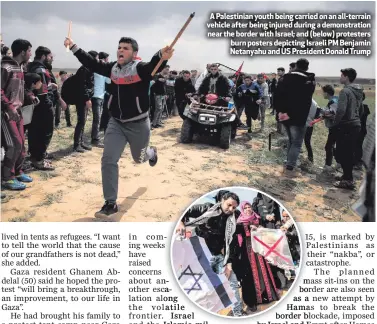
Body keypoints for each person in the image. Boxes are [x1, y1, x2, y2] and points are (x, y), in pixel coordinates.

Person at [64, 36, 172, 217]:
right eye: (119, 47)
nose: (121, 50)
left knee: (139, 158)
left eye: (126, 48)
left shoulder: (140, 69)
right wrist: (74, 47)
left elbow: (153, 66)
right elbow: (92, 63)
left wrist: (162, 56)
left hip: (138, 123)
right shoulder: (112, 68)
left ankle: (151, 153)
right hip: (116, 123)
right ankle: (110, 203)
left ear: (135, 53)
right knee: (108, 159)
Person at [177, 191, 244, 317]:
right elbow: (184, 210)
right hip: (197, 251)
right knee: (197, 284)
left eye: (234, 207)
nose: (231, 209)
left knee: (232, 281)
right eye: (229, 205)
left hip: (215, 253)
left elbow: (232, 242)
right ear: (222, 201)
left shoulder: (234, 218)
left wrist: (229, 264)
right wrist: (181, 222)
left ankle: (237, 314)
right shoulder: (206, 208)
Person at [228, 201, 280, 313]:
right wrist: (248, 229)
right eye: (245, 207)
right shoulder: (239, 221)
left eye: (249, 207)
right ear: (242, 209)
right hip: (246, 252)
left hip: (259, 251)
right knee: (249, 277)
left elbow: (264, 231)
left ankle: (266, 295)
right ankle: (252, 302)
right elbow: (236, 234)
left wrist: (259, 229)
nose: (247, 209)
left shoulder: (257, 218)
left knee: (263, 272)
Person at [1, 39, 33, 190]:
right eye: (29, 51)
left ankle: (18, 171)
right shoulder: (6, 67)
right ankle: (7, 177)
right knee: (14, 144)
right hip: (7, 113)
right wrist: (9, 108)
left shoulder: (21, 68)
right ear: (22, 52)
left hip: (18, 111)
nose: (30, 54)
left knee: (21, 144)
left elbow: (20, 88)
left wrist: (30, 96)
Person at [277, 58, 316, 177]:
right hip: (298, 117)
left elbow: (277, 96)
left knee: (291, 140)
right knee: (297, 143)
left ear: (296, 66)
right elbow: (305, 101)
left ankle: (288, 161)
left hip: (284, 115)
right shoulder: (308, 80)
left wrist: (279, 112)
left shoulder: (284, 78)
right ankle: (291, 165)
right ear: (307, 67)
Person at [333, 68, 363, 190]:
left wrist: (335, 122)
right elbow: (361, 109)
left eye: (341, 75)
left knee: (343, 153)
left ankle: (348, 180)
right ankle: (346, 176)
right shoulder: (358, 91)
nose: (340, 77)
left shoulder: (345, 91)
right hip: (356, 124)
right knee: (348, 152)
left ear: (346, 77)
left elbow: (340, 110)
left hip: (346, 125)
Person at [27, 46, 55, 170]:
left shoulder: (31, 67)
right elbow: (42, 91)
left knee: (35, 131)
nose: (51, 59)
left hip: (34, 106)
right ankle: (39, 159)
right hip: (43, 105)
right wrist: (50, 88)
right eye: (50, 57)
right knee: (45, 132)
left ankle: (35, 155)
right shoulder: (42, 70)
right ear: (44, 56)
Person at [72, 50, 97, 153]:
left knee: (83, 121)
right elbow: (82, 86)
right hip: (82, 100)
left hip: (85, 99)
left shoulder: (88, 68)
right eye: (96, 58)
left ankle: (80, 142)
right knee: (81, 121)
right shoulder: (84, 69)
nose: (97, 60)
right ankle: (76, 145)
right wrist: (87, 99)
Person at [92, 53, 111, 147]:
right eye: (107, 59)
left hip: (101, 96)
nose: (108, 61)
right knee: (97, 119)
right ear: (103, 59)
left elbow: (109, 81)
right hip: (95, 96)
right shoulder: (96, 70)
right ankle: (95, 139)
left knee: (99, 119)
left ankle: (97, 138)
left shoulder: (104, 71)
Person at [321, 84, 339, 173]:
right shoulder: (334, 99)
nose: (322, 94)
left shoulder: (333, 101)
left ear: (327, 93)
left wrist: (322, 112)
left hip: (336, 127)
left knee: (328, 146)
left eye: (323, 92)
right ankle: (338, 162)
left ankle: (328, 166)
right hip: (336, 126)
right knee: (332, 146)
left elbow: (333, 113)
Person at [354, 92, 370, 169]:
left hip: (359, 130)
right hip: (361, 129)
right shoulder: (365, 107)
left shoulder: (360, 107)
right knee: (357, 146)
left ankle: (358, 163)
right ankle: (356, 162)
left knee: (357, 146)